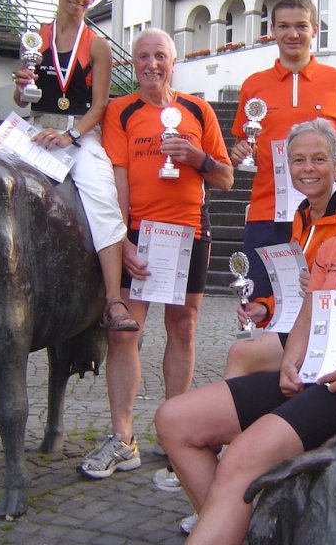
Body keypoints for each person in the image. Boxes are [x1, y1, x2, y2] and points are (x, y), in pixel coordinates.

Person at [155, 140, 336, 542]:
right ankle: (242, 529)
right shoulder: (333, 249)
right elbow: (306, 319)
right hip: (311, 375)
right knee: (174, 420)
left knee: (240, 460)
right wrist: (290, 360)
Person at [75, 27, 233, 481]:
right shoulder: (121, 111)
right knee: (125, 335)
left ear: (173, 61)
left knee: (182, 328)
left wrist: (196, 158)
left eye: (160, 56)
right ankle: (122, 438)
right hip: (141, 234)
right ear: (133, 64)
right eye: (143, 56)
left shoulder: (198, 110)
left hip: (190, 232)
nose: (151, 64)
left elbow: (225, 178)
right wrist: (123, 238)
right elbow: (118, 179)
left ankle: (174, 430)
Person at [11, 0, 138, 332]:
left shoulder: (97, 46)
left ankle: (113, 300)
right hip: (37, 130)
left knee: (103, 198)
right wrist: (20, 89)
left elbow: (100, 105)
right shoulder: (35, 38)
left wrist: (71, 137)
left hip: (79, 133)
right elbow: (23, 99)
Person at [229, 0, 336, 301]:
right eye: (284, 26)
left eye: (301, 26)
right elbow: (243, 143)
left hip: (325, 214)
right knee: (260, 307)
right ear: (272, 30)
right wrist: (240, 151)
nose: (292, 34)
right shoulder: (254, 84)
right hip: (267, 213)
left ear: (315, 29)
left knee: (320, 301)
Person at [224, 118, 336, 379]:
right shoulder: (303, 215)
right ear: (288, 167)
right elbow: (293, 288)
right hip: (303, 323)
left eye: (318, 159)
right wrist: (265, 309)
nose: (308, 168)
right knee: (247, 348)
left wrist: (328, 285)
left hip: (334, 332)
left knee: (243, 353)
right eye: (298, 160)